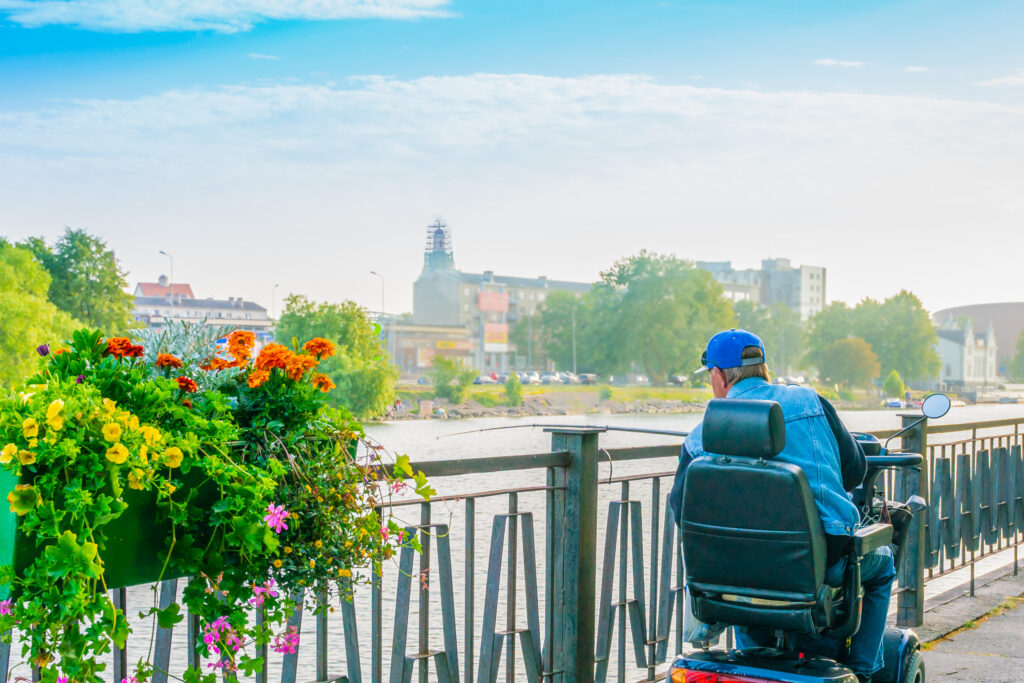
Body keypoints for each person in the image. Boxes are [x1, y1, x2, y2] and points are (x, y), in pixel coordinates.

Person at [668, 329, 895, 683]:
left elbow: (681, 512)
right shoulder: (810, 403)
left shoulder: (699, 438)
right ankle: (863, 671)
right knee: (883, 566)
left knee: (745, 585)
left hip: (729, 577)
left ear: (718, 375)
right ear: (763, 368)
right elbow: (854, 470)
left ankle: (754, 656)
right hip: (819, 568)